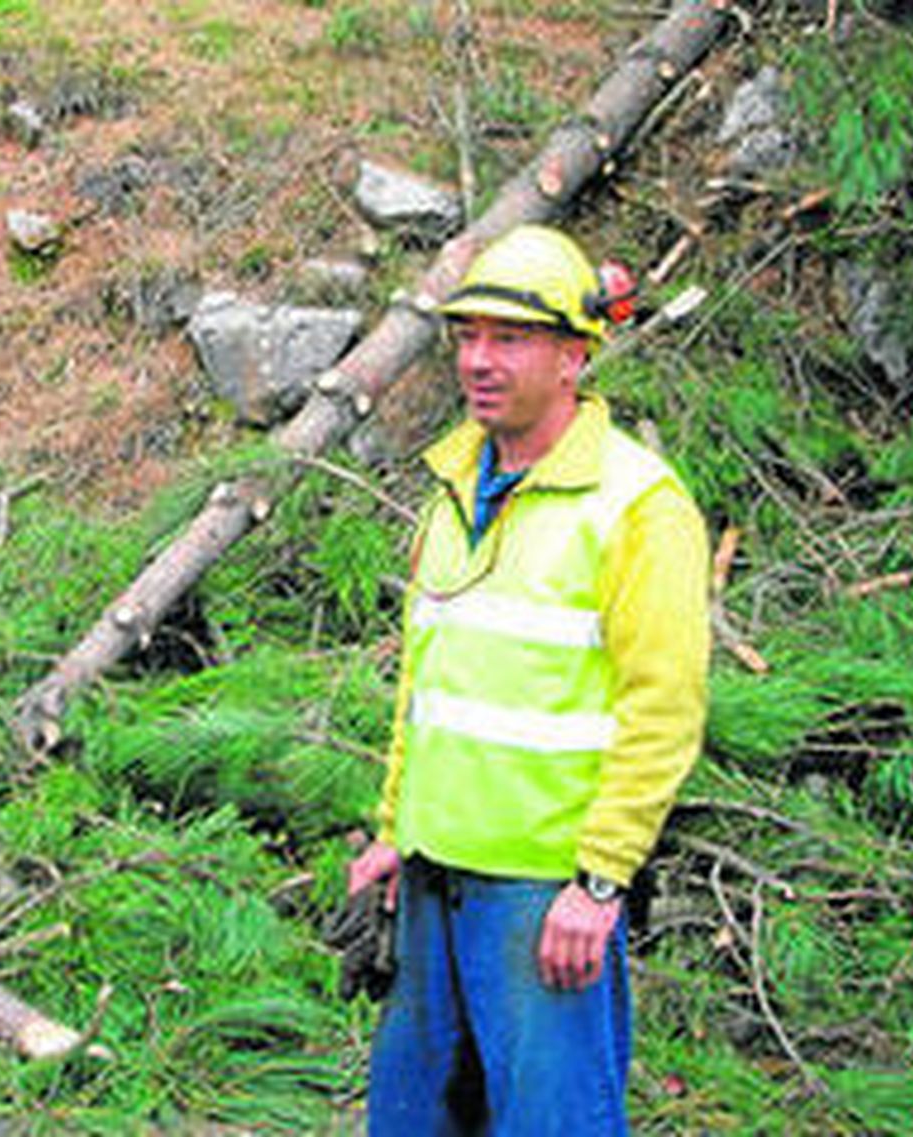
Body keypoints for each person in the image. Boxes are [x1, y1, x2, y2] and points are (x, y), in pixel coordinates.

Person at [347, 225, 710, 1135]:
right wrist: (395, 828)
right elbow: (425, 689)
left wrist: (599, 884)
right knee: (412, 1120)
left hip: (544, 897)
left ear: (574, 357)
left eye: (509, 339)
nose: (478, 360)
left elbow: (661, 713)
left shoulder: (637, 507)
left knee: (554, 1122)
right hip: (432, 877)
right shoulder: (450, 486)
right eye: (467, 336)